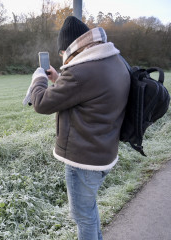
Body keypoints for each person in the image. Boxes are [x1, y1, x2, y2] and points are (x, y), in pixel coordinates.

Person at [23, 16, 130, 240]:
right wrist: (60, 78)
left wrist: (38, 78)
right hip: (104, 151)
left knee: (83, 216)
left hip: (84, 160)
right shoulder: (113, 60)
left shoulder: (82, 71)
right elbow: (90, 92)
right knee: (89, 210)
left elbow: (41, 103)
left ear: (72, 47)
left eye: (63, 53)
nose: (64, 58)